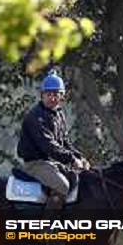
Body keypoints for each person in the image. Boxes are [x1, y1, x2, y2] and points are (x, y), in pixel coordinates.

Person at [17, 70, 90, 214]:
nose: (52, 98)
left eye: (56, 94)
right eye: (48, 94)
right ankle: (47, 231)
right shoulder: (35, 117)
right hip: (36, 164)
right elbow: (48, 146)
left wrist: (80, 157)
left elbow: (65, 142)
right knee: (61, 186)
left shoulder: (58, 115)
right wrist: (71, 159)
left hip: (53, 164)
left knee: (80, 180)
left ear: (62, 96)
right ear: (42, 95)